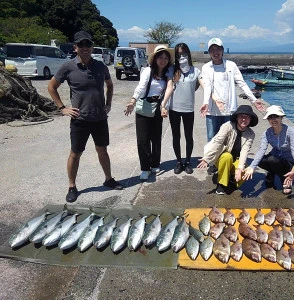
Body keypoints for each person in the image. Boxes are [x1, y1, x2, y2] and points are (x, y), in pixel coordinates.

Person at [48, 30, 123, 203]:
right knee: (76, 153)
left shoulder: (101, 66)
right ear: (75, 47)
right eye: (80, 45)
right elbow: (52, 87)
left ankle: (108, 179)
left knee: (102, 150)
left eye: (87, 44)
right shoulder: (68, 67)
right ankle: (72, 186)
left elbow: (109, 85)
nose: (85, 48)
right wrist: (62, 108)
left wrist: (109, 104)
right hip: (79, 121)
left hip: (99, 119)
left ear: (92, 46)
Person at [199, 37, 266, 174]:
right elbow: (207, 87)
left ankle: (227, 162)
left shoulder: (231, 65)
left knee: (230, 138)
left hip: (230, 111)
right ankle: (213, 162)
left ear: (222, 50)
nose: (215, 52)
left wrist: (253, 100)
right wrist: (206, 102)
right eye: (212, 49)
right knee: (212, 138)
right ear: (209, 52)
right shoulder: (206, 67)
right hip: (212, 110)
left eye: (218, 49)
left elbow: (242, 83)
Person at [125, 45, 174, 181]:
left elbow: (170, 88)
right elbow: (141, 86)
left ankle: (155, 163)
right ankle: (145, 168)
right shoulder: (147, 70)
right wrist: (133, 100)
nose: (163, 60)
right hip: (144, 106)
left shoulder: (168, 72)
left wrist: (165, 106)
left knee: (156, 137)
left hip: (158, 106)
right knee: (142, 140)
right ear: (155, 58)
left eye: (166, 58)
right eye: (160, 57)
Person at [243, 105, 294, 195]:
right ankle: (271, 173)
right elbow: (262, 150)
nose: (273, 120)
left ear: (281, 117)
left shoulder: (290, 131)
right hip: (275, 157)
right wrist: (252, 167)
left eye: (276, 116)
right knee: (260, 161)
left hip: (287, 160)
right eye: (270, 117)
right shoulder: (267, 133)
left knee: (273, 160)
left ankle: (285, 180)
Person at [160, 43, 203, 175]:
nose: (181, 57)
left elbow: (198, 86)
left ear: (188, 54)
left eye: (184, 54)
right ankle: (179, 162)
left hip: (188, 109)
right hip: (174, 109)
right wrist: (164, 105)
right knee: (176, 136)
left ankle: (188, 162)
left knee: (189, 136)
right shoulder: (172, 70)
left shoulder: (195, 71)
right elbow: (168, 87)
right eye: (178, 54)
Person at [197, 105, 258, 195]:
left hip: (236, 158)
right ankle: (221, 184)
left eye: (247, 117)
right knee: (227, 156)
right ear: (237, 117)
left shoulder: (251, 134)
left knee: (244, 171)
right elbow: (217, 142)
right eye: (241, 116)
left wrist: (240, 168)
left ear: (250, 119)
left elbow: (245, 151)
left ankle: (231, 180)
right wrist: (207, 158)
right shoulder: (227, 126)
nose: (244, 119)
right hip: (222, 156)